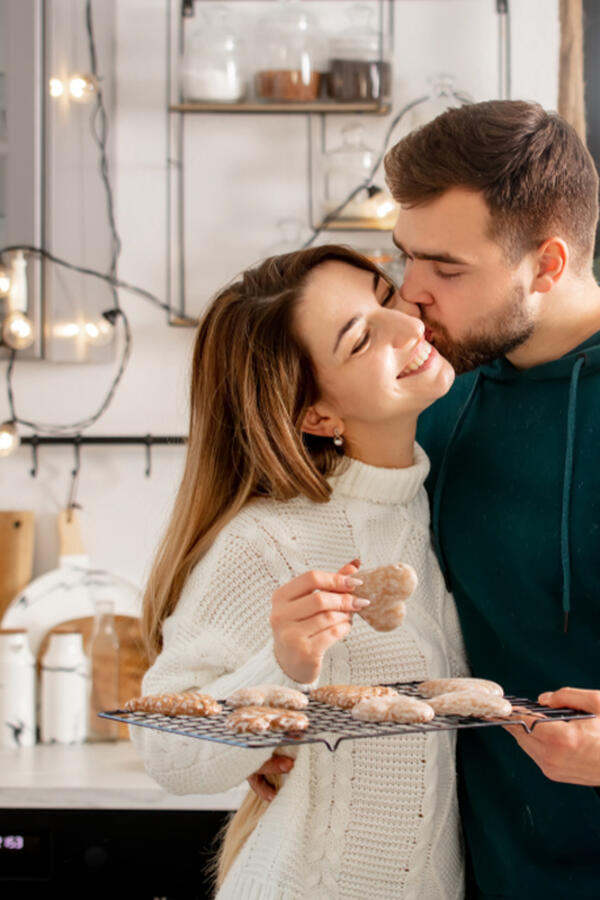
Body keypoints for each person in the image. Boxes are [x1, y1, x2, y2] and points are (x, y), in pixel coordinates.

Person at [130, 243, 469, 899]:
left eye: (384, 293)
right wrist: (282, 672)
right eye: (360, 339)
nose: (408, 324)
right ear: (318, 414)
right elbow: (167, 750)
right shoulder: (268, 538)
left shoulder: (438, 500)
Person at [381, 99, 600, 898]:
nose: (411, 293)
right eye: (406, 257)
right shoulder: (430, 391)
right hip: (467, 867)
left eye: (446, 269)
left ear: (547, 263)